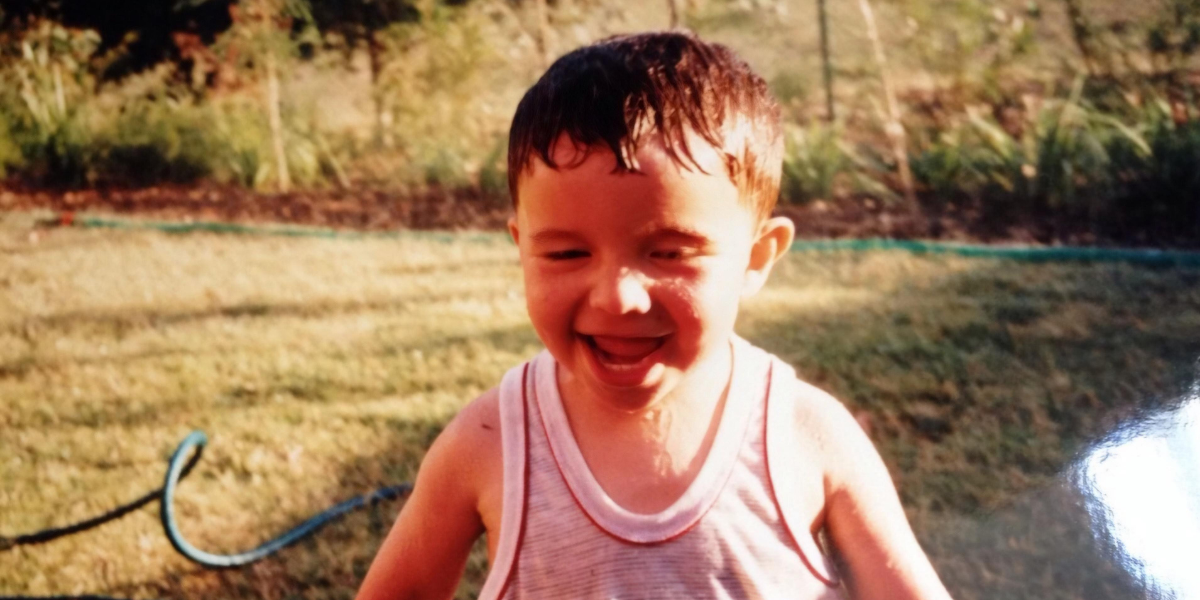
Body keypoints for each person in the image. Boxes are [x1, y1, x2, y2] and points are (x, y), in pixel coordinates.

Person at [356, 31, 952, 600]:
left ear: (756, 258)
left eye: (669, 252)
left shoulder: (807, 437)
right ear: (522, 248)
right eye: (566, 253)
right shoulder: (490, 443)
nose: (618, 297)